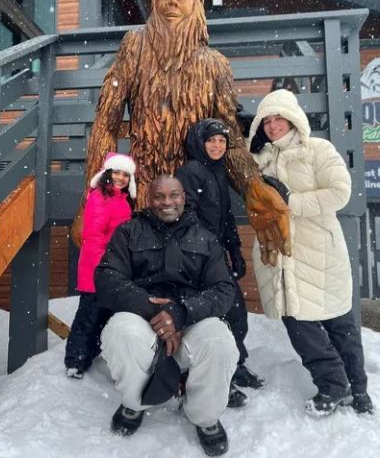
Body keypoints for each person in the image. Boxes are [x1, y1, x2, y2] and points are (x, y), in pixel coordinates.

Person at [72, 0, 289, 269]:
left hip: (195, 198)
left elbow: (230, 139)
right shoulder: (135, 46)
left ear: (195, 3)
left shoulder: (214, 64)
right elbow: (105, 124)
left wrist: (252, 183)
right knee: (142, 284)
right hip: (146, 192)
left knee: (190, 281)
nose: (172, 1)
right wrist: (92, 198)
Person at [247, 89, 373, 416]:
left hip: (319, 248)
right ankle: (333, 383)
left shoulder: (319, 149)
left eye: (279, 118)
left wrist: (291, 201)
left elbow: (340, 192)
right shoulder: (259, 160)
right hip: (280, 253)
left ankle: (357, 389)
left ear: (293, 118)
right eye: (268, 121)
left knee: (338, 321)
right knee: (299, 322)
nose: (274, 126)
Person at [95, 175, 238, 456]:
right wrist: (156, 310)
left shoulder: (205, 237)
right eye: (159, 196)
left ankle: (203, 416)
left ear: (184, 198)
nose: (166, 202)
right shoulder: (129, 231)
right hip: (143, 317)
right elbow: (107, 277)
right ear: (150, 200)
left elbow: (223, 289)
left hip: (191, 320)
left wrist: (182, 312)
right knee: (118, 330)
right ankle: (135, 402)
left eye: (173, 195)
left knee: (220, 341)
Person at [176, 118, 264, 408]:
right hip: (197, 260)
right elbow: (185, 215)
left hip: (217, 257)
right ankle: (213, 381)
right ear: (200, 143)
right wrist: (208, 250)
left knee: (236, 313)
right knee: (213, 321)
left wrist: (235, 250)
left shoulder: (218, 172)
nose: (217, 145)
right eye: (212, 140)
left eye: (221, 141)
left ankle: (235, 365)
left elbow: (225, 220)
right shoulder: (191, 171)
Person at [64, 152, 136, 378]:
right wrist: (103, 269)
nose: (121, 178)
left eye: (126, 174)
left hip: (114, 268)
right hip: (98, 269)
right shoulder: (100, 197)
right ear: (107, 173)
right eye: (117, 172)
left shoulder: (122, 199)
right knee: (89, 315)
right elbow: (93, 236)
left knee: (103, 314)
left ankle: (89, 353)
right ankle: (75, 360)